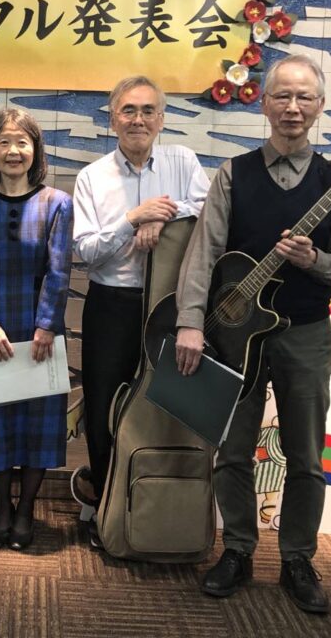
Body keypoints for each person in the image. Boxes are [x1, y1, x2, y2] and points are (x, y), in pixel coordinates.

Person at [175, 54, 331, 614]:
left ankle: (298, 558)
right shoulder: (233, 174)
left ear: (320, 107)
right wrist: (190, 322)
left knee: (306, 454)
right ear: (263, 104)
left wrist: (315, 260)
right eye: (282, 95)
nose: (292, 107)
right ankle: (237, 548)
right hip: (235, 336)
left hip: (304, 333)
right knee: (232, 450)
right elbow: (203, 253)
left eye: (304, 97)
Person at [72, 75, 209, 542]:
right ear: (112, 119)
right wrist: (133, 219)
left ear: (162, 119)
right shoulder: (92, 177)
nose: (138, 119)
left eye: (148, 110)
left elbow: (208, 215)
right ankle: (105, 511)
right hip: (112, 306)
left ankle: (160, 511)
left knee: (167, 407)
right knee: (103, 407)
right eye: (128, 110)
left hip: (171, 308)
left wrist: (162, 217)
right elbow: (86, 252)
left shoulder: (182, 161)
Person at [0, 108, 74, 551]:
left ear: (35, 150)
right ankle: (2, 509)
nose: (14, 151)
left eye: (22, 142)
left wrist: (46, 325)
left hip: (42, 328)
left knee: (38, 422)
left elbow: (59, 270)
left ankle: (26, 509)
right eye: (4, 142)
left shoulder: (57, 203)